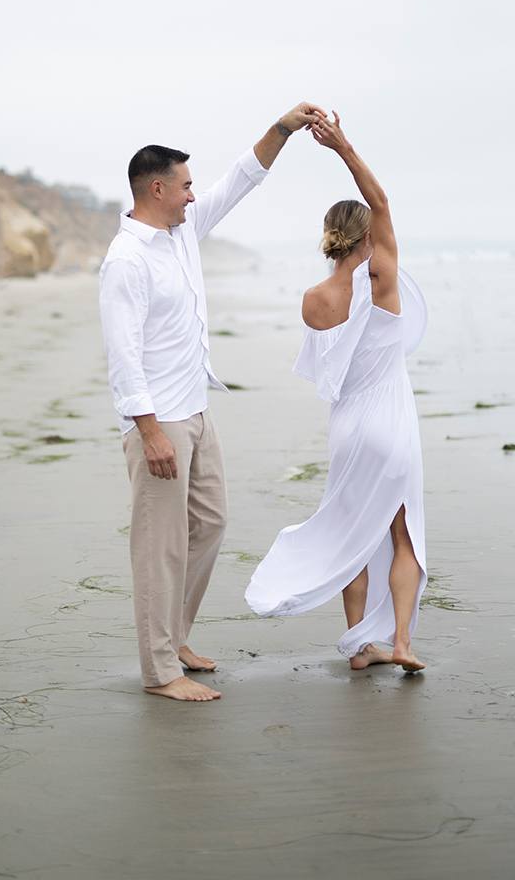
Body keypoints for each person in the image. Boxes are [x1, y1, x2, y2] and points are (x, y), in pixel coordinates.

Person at [99, 102, 326, 702]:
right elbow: (121, 355)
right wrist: (148, 431)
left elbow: (241, 180)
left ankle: (174, 640)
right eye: (185, 186)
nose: (195, 196)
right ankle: (159, 671)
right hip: (159, 420)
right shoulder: (127, 261)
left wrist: (283, 129)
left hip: (196, 409)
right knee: (160, 547)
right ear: (156, 188)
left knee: (210, 524)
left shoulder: (182, 237)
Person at [245, 111, 429, 672]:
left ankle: (358, 646)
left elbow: (328, 365)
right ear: (369, 235)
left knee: (352, 532)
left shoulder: (314, 298)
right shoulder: (384, 277)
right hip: (390, 422)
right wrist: (343, 146)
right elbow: (384, 200)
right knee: (403, 536)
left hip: (348, 428)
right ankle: (399, 642)